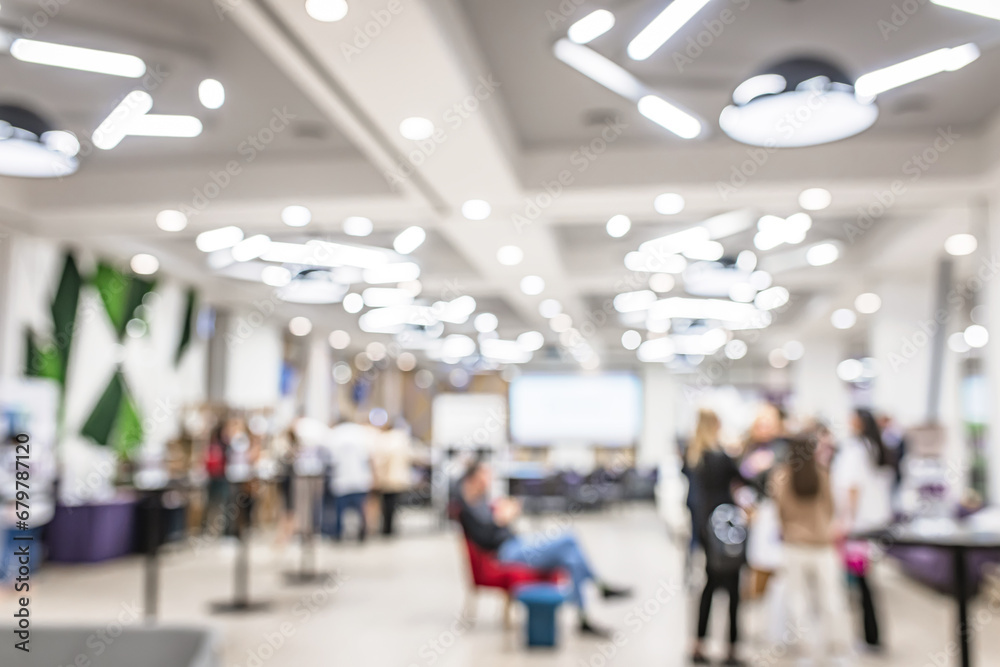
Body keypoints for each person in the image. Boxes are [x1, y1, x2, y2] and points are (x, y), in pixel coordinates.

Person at [456, 460, 631, 636]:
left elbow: (494, 523)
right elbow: (484, 537)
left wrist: (503, 514)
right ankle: (600, 586)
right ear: (474, 477)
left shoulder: (482, 501)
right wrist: (502, 518)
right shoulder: (467, 506)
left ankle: (584, 619)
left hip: (517, 544)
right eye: (485, 475)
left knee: (571, 558)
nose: (489, 478)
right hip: (507, 553)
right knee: (569, 537)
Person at [771, 437, 852, 665]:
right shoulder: (822, 472)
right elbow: (831, 506)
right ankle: (838, 650)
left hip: (794, 545)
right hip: (823, 545)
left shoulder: (781, 476)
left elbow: (780, 510)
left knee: (798, 600)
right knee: (832, 599)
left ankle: (806, 652)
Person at [687, 408, 749, 667]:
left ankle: (698, 645)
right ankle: (731, 649)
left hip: (704, 530)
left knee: (709, 587)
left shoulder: (693, 457)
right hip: (725, 531)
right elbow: (743, 480)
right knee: (733, 590)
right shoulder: (721, 458)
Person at [832, 408, 894, 651]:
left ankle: (870, 636)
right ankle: (871, 635)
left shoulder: (856, 450)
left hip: (858, 528)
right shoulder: (876, 448)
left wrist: (845, 521)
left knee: (861, 584)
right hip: (875, 524)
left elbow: (852, 488)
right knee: (866, 584)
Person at [326, 416, 375, 542]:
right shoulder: (361, 433)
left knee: (339, 512)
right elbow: (369, 457)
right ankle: (362, 534)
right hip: (360, 479)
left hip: (341, 480)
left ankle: (338, 534)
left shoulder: (335, 435)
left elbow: (331, 460)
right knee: (360, 510)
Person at [371, 422, 413, 537]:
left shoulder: (385, 441)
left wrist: (377, 475)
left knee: (387, 505)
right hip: (399, 477)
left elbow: (381, 460)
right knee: (393, 505)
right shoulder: (401, 439)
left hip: (388, 478)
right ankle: (390, 527)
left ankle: (387, 528)